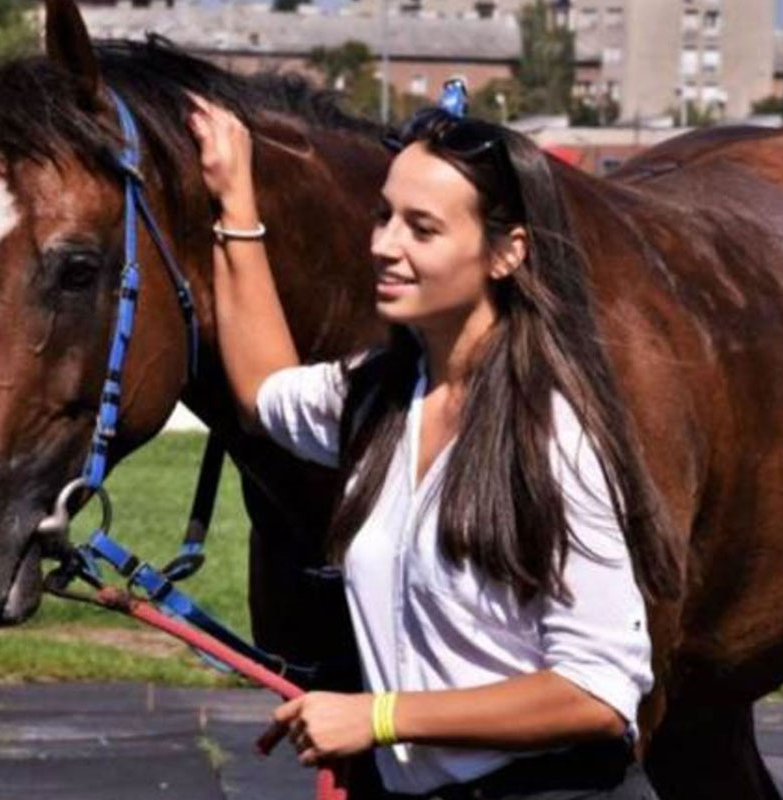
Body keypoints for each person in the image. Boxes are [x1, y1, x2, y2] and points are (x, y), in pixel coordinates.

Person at [188, 96, 676, 799]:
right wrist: (235, 199)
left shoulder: (552, 435)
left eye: (422, 228)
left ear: (507, 253)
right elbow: (263, 390)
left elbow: (599, 692)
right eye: (385, 216)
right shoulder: (377, 399)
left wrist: (380, 718)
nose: (385, 245)